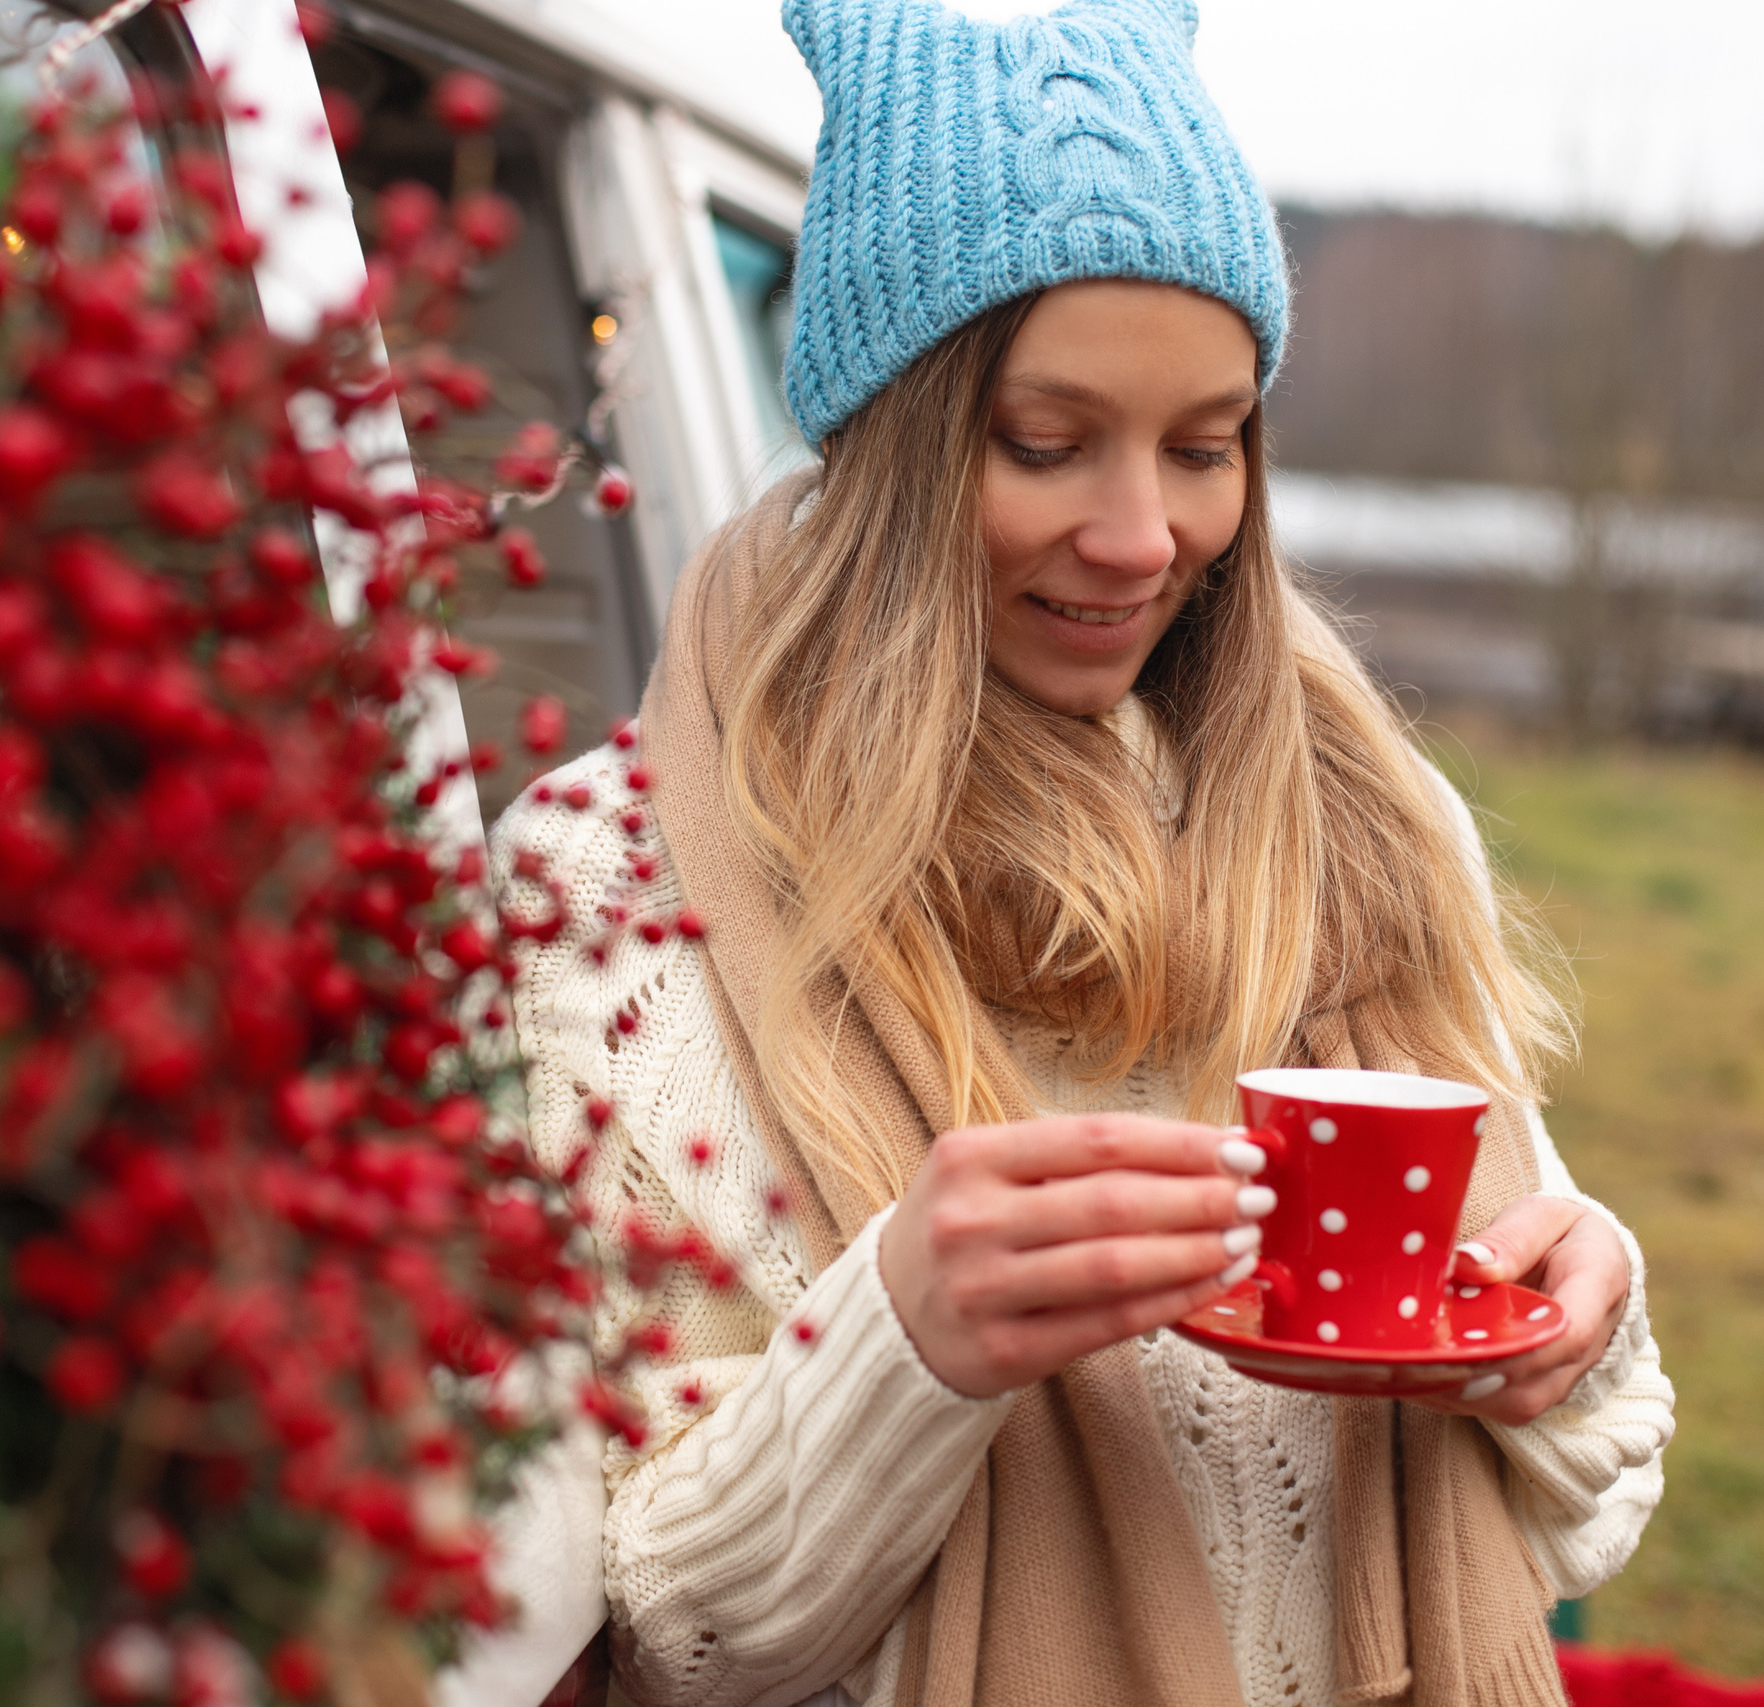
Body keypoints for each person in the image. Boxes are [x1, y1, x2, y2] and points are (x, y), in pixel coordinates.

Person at [477, 1, 1677, 1703]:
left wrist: (1573, 1335)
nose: (1142, 537)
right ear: (892, 442)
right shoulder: (611, 896)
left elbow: (1583, 1524)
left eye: (1206, 448)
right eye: (1045, 445)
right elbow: (657, 1641)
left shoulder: (1362, 835)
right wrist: (904, 1345)